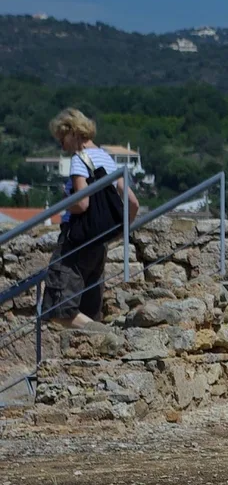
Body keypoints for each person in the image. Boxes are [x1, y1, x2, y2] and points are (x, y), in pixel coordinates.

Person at [45, 108, 138, 329]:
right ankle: (96, 345)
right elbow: (133, 202)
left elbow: (82, 203)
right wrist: (121, 231)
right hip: (98, 245)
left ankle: (106, 336)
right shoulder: (106, 158)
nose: (62, 145)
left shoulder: (79, 160)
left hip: (75, 242)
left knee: (58, 310)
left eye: (62, 138)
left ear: (73, 133)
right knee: (88, 310)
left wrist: (64, 204)